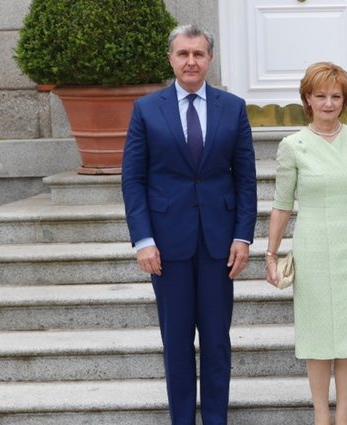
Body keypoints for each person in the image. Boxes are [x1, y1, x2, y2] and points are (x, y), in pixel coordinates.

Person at [121, 24, 257, 425]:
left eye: (198, 54)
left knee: (216, 343)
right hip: (166, 246)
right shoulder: (146, 109)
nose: (191, 61)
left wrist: (242, 235)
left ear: (210, 58)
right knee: (176, 344)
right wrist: (143, 239)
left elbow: (245, 178)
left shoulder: (232, 107)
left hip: (219, 246)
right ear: (171, 59)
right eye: (183, 54)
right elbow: (133, 178)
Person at [265, 62, 347, 425]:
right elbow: (282, 204)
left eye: (336, 96)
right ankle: (320, 416)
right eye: (321, 96)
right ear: (307, 99)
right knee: (318, 335)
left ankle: (344, 415)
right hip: (313, 245)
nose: (329, 103)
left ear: (345, 100)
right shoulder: (293, 145)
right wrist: (270, 254)